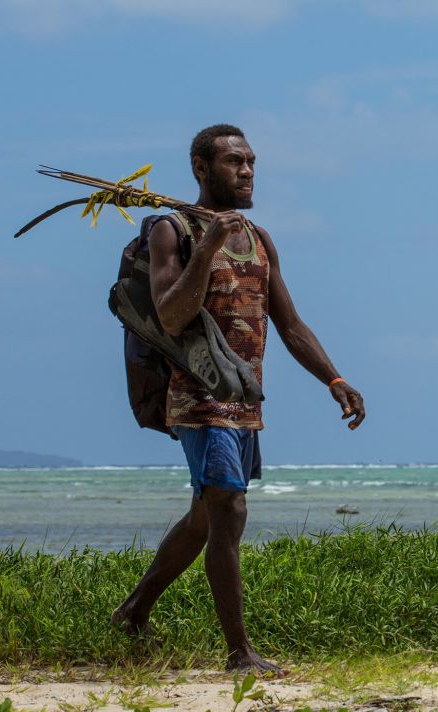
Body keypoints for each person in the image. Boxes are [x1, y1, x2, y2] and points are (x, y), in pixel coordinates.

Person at [111, 124, 365, 675]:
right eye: (233, 162)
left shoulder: (260, 238)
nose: (247, 171)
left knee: (205, 520)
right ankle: (239, 653)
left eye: (250, 162)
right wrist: (204, 249)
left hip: (244, 401)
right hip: (198, 398)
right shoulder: (169, 231)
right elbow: (172, 315)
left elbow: (290, 324)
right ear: (201, 169)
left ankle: (132, 612)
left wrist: (334, 379)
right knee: (229, 509)